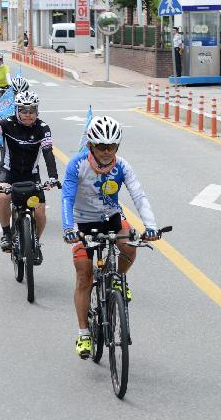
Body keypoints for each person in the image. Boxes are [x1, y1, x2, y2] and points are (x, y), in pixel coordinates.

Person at [61, 116, 161, 359]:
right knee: (84, 275)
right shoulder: (76, 165)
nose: (107, 152)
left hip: (111, 218)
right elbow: (67, 198)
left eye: (112, 147)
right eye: (101, 146)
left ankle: (117, 279)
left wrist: (150, 226)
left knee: (129, 245)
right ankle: (84, 334)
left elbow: (139, 195)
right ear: (90, 146)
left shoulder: (122, 166)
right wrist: (68, 228)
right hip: (83, 223)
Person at [0, 90, 58, 260]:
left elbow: (48, 153)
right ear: (17, 110)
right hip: (8, 172)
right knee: (3, 197)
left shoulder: (43, 128)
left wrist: (53, 177)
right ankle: (6, 234)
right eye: (23, 110)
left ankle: (35, 242)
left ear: (37, 111)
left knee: (40, 213)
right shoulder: (7, 123)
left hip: (31, 175)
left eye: (32, 110)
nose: (28, 115)